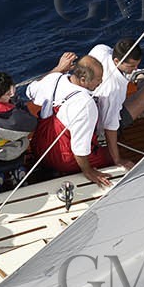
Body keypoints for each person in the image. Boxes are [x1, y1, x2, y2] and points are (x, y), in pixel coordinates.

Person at [26, 55, 112, 188]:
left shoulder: (54, 78)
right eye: (98, 80)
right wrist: (88, 171)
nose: (100, 83)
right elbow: (80, 148)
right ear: (83, 80)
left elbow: (29, 91)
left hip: (38, 148)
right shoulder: (85, 104)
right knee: (109, 155)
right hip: (62, 160)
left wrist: (58, 69)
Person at [88, 36, 144, 169]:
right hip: (101, 127)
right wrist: (117, 159)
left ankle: (137, 75)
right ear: (116, 60)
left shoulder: (100, 49)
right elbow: (110, 127)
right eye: (132, 66)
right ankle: (141, 77)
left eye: (137, 65)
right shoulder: (114, 89)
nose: (134, 67)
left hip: (96, 107)